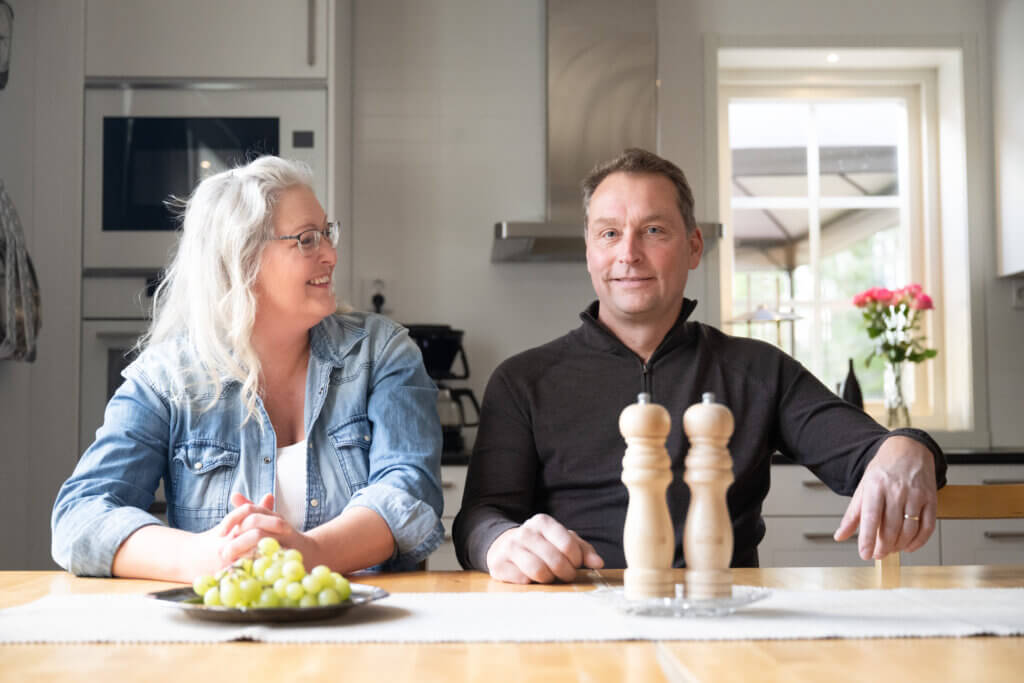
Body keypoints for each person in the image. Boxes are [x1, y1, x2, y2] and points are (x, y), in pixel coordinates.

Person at [453, 148, 946, 584]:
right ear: (589, 252)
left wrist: (908, 448)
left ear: (693, 247)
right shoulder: (523, 381)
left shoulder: (758, 370)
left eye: (653, 230)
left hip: (727, 617)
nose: (628, 253)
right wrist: (500, 542)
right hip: (574, 617)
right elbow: (479, 516)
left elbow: (868, 454)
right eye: (609, 233)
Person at [52, 156, 444, 580]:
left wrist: (313, 553)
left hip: (365, 628)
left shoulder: (382, 352)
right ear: (243, 260)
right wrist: (198, 557)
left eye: (327, 233)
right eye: (308, 239)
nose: (331, 254)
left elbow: (410, 491)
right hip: (221, 637)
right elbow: (79, 516)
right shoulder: (168, 379)